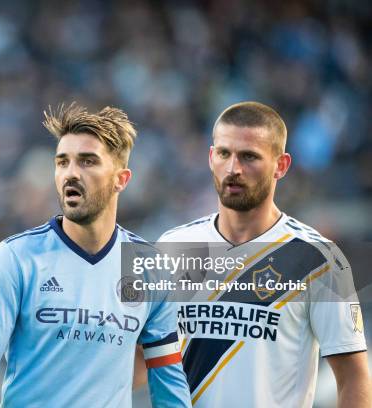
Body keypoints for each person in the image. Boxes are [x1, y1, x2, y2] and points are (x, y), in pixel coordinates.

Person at [0, 103, 191, 407]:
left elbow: (168, 382)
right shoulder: (18, 257)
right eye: (62, 162)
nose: (70, 174)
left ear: (121, 179)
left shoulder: (149, 268)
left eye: (87, 162)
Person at [135, 101, 370, 407]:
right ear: (210, 157)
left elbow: (353, 376)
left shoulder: (317, 258)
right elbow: (139, 362)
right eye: (224, 154)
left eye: (249, 157)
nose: (233, 169)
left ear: (281, 165)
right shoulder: (174, 246)